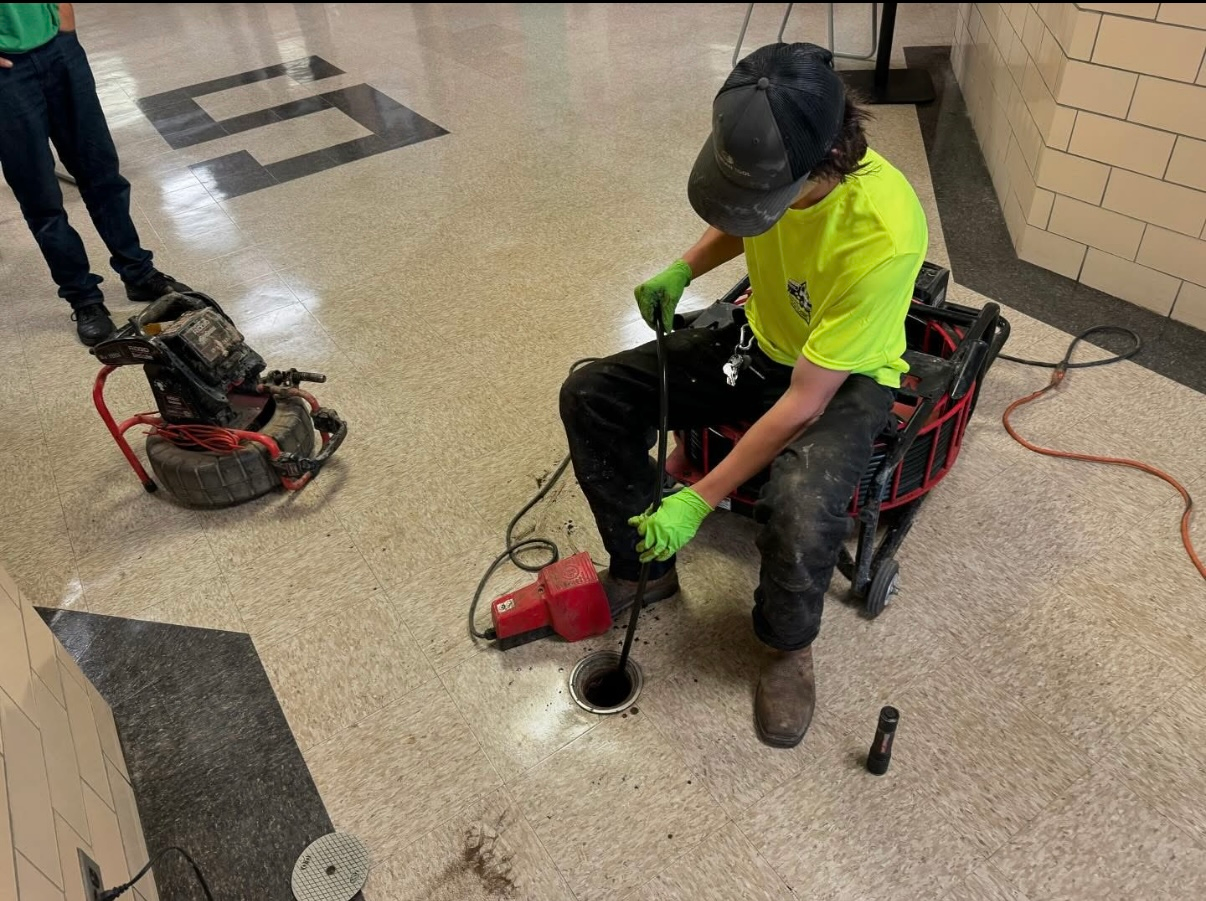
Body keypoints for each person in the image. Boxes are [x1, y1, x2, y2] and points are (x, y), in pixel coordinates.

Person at [560, 43, 927, 749]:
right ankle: (645, 569)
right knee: (592, 394)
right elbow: (746, 214)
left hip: (845, 379)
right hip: (764, 337)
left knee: (798, 501)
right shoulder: (779, 177)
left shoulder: (880, 233)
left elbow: (804, 404)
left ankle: (788, 646)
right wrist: (683, 266)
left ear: (822, 167)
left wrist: (698, 499)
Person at [0, 2, 189, 346]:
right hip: (7, 73)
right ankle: (84, 298)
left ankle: (138, 271)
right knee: (40, 196)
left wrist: (64, 19)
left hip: (59, 46)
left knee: (102, 173)